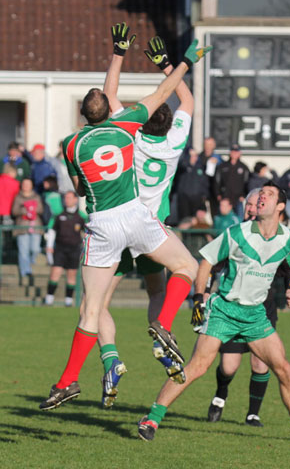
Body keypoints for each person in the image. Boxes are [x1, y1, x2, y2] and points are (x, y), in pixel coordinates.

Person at [38, 23, 211, 411]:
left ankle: (70, 379)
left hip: (103, 225)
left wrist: (117, 52)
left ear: (84, 115)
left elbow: (81, 188)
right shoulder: (133, 126)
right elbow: (168, 94)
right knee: (185, 268)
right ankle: (162, 324)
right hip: (143, 218)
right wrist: (182, 62)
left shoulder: (72, 144)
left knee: (92, 309)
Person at [137, 181, 290, 444]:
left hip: (255, 316)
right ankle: (151, 418)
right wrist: (198, 299)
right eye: (261, 193)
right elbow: (206, 261)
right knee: (198, 367)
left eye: (270, 195)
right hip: (224, 311)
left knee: (284, 368)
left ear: (280, 207)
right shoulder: (237, 233)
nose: (262, 197)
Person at [96, 34, 198, 407]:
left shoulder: (129, 134)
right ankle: (163, 334)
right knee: (158, 291)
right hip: (154, 232)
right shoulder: (174, 143)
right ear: (171, 124)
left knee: (98, 304)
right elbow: (186, 99)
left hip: (121, 229)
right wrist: (167, 65)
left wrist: (118, 54)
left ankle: (111, 358)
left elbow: (108, 100)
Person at [206, 188, 290, 427]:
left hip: (262, 307)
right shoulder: (236, 234)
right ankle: (220, 394)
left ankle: (253, 413)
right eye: (249, 204)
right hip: (231, 307)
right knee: (228, 366)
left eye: (256, 204)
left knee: (261, 362)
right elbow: (213, 264)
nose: (252, 208)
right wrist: (205, 289)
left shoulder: (276, 234)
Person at [44, 191, 86, 307]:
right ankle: (49, 298)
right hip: (60, 248)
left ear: (75, 200)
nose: (67, 200)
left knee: (71, 274)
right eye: (65, 198)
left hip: (74, 249)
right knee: (55, 272)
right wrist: (49, 246)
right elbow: (52, 230)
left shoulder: (81, 216)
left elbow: (87, 232)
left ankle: (68, 300)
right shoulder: (58, 215)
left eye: (69, 198)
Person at [11, 177, 44, 285]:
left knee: (35, 249)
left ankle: (30, 264)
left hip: (35, 227)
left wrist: (32, 209)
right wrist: (24, 210)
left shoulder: (36, 197)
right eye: (24, 184)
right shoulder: (18, 197)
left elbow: (41, 209)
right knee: (23, 251)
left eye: (28, 184)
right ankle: (25, 272)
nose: (26, 186)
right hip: (22, 228)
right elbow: (14, 211)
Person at [214, 144, 249, 221]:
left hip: (238, 199)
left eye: (236, 152)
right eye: (233, 152)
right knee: (223, 219)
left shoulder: (243, 167)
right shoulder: (222, 166)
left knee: (239, 219)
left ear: (239, 153)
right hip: (225, 198)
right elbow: (217, 181)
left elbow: (247, 183)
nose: (234, 154)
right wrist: (218, 194)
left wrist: (243, 195)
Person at [177, 148, 210, 222]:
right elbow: (181, 165)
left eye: (195, 155)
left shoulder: (200, 167)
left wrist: (205, 195)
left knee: (196, 220)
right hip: (184, 199)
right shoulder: (183, 167)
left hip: (197, 199)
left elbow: (205, 183)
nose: (194, 158)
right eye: (191, 155)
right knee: (185, 220)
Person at [198, 136, 222, 217]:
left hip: (214, 190)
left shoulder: (218, 159)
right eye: (206, 144)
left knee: (215, 213)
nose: (208, 146)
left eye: (210, 144)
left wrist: (217, 162)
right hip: (201, 189)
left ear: (214, 146)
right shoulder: (199, 158)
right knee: (200, 213)